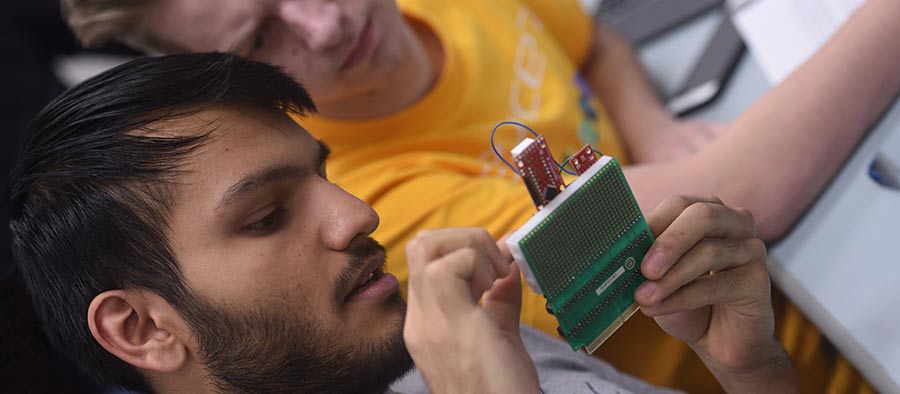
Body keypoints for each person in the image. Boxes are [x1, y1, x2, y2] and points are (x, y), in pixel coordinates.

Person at [60, 0, 900, 391]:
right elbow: (745, 190)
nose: (326, 23)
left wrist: (648, 127)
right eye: (261, 35)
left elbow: (585, 40)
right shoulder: (384, 213)